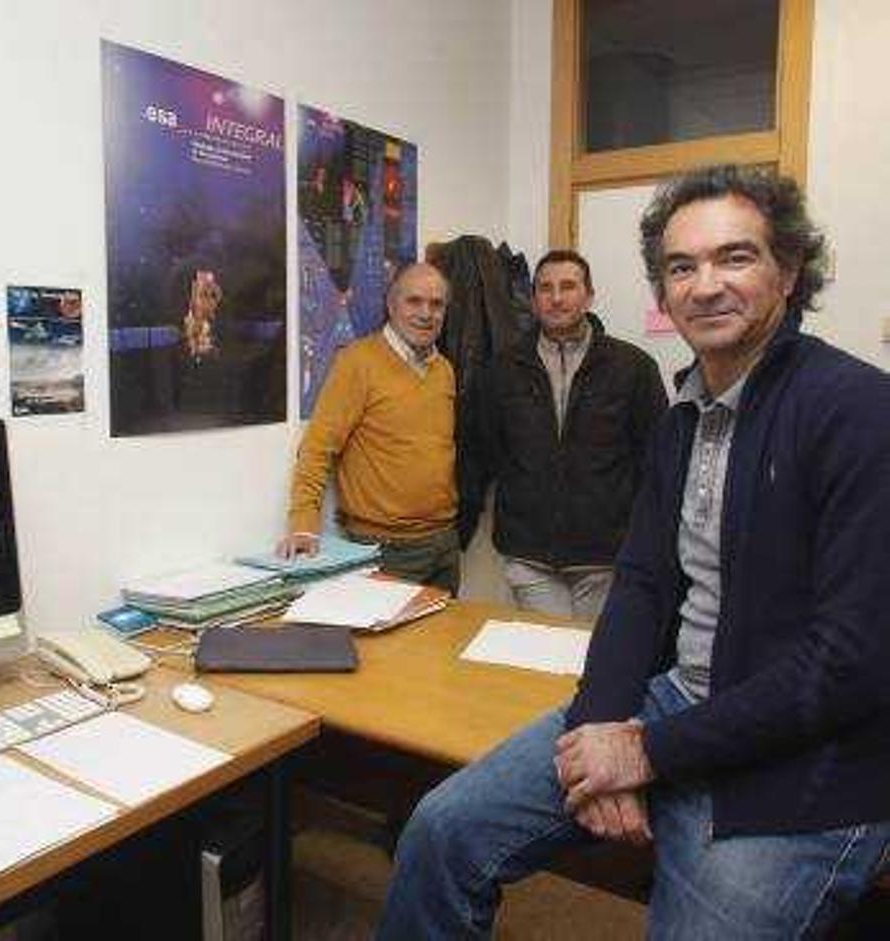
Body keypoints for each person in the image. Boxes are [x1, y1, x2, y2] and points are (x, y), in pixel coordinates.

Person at [377, 165, 890, 938]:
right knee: (441, 831)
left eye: (735, 257)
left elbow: (849, 662)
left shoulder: (857, 409)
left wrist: (647, 751)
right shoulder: (685, 415)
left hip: (809, 754)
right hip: (675, 702)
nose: (706, 285)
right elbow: (644, 583)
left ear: (788, 271)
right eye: (682, 266)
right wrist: (599, 730)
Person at [475, 249, 667, 619]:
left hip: (606, 558)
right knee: (545, 664)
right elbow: (489, 448)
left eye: (568, 286)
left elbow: (655, 460)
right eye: (545, 288)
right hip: (528, 554)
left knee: (593, 662)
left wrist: (647, 541)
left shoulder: (633, 367)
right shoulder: (501, 370)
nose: (557, 297)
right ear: (533, 300)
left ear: (589, 296)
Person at [279, 261, 459, 593]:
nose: (426, 313)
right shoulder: (358, 363)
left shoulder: (444, 369)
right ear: (391, 305)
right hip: (384, 550)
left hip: (444, 545)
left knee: (444, 644)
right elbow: (318, 448)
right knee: (392, 647)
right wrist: (303, 525)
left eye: (436, 304)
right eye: (414, 301)